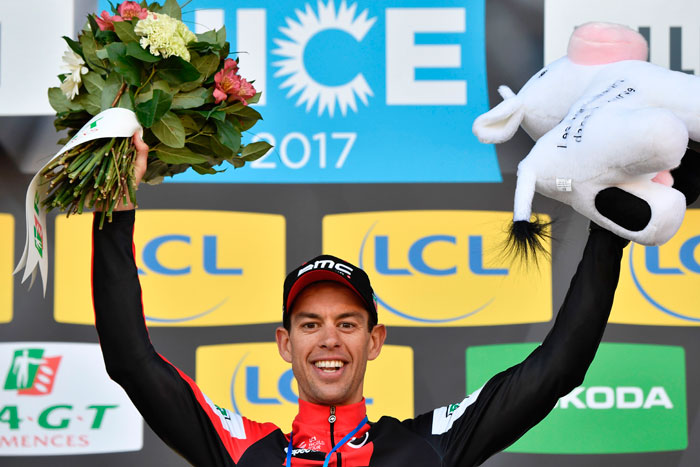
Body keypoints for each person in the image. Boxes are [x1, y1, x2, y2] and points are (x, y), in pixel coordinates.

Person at [91, 134, 699, 466]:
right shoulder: (246, 452)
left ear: (374, 340)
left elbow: (556, 368)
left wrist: (610, 232)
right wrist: (116, 209)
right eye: (310, 323)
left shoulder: (428, 446)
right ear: (285, 344)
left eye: (348, 322)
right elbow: (132, 363)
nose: (329, 339)